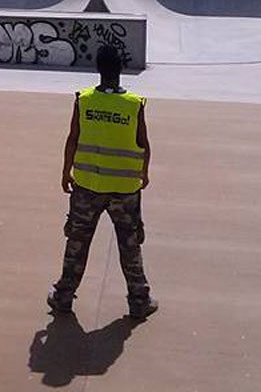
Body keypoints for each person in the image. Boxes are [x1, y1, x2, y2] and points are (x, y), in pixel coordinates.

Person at [47, 44, 156, 320]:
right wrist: (144, 173)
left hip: (87, 186)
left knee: (77, 244)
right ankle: (139, 301)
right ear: (121, 71)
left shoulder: (84, 100)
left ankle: (62, 297)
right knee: (129, 246)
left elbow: (73, 138)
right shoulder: (133, 104)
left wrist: (65, 171)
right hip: (124, 190)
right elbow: (144, 143)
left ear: (98, 70)